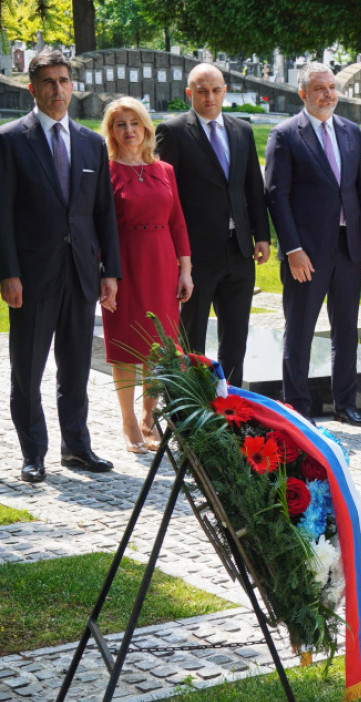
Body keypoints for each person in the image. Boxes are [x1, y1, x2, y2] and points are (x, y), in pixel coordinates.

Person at [0, 50, 121, 483]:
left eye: (64, 80)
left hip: (82, 273)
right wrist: (7, 272)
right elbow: (3, 213)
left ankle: (77, 446)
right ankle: (34, 453)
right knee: (27, 370)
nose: (58, 89)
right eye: (49, 82)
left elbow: (103, 213)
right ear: (33, 88)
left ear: (73, 85)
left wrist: (110, 272)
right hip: (31, 277)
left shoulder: (91, 143)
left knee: (76, 367)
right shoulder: (11, 140)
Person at [264, 62, 361, 426]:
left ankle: (346, 404)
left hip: (349, 249)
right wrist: (293, 249)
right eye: (319, 89)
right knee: (300, 331)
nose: (328, 94)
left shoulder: (352, 132)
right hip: (306, 254)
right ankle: (298, 410)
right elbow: (276, 197)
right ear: (303, 94)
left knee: (346, 330)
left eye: (331, 87)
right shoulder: (285, 135)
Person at [155, 63, 271, 385]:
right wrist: (178, 256)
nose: (210, 97)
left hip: (239, 252)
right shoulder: (173, 131)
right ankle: (191, 411)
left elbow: (253, 188)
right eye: (202, 91)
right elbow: (167, 197)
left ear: (225, 91)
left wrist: (262, 235)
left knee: (235, 338)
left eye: (216, 90)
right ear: (189, 93)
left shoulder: (242, 131)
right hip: (197, 255)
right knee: (192, 339)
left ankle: (233, 408)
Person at [100, 97, 194, 453]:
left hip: (162, 261)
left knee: (159, 346)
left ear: (146, 128)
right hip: (124, 263)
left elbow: (178, 222)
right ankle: (128, 422)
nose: (128, 131)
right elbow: (100, 224)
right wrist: (105, 271)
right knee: (125, 346)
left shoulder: (164, 170)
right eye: (120, 125)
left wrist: (185, 269)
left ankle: (148, 416)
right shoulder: (105, 170)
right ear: (111, 131)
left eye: (134, 123)